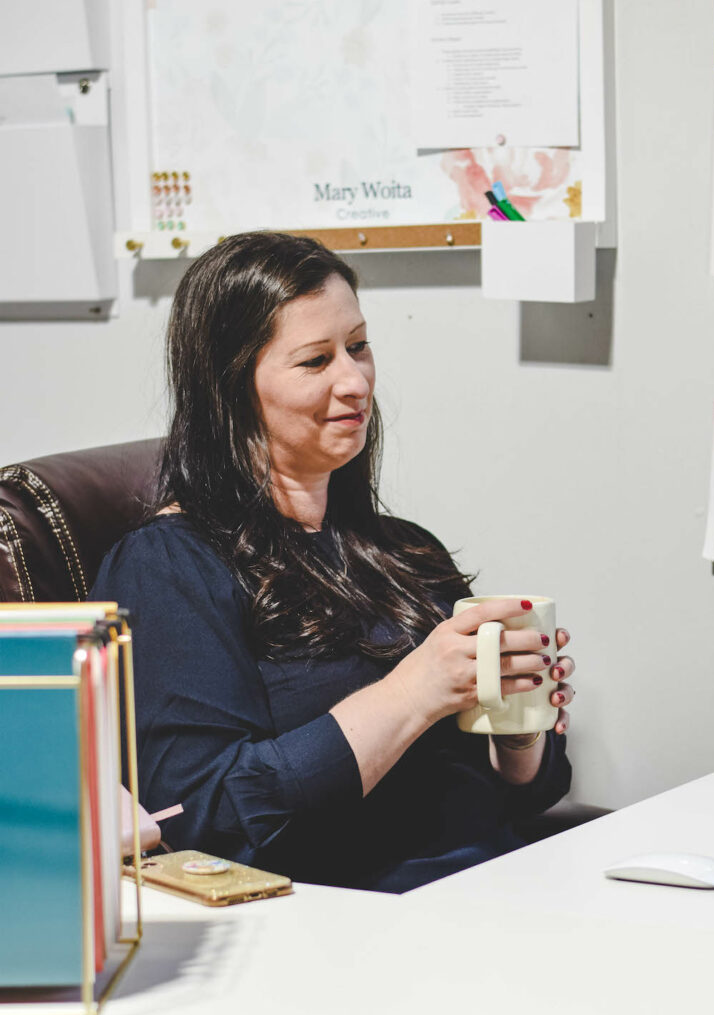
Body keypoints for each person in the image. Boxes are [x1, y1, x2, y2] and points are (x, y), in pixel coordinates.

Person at [92, 232, 573, 892]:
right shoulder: (168, 566)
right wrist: (412, 693)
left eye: (359, 346)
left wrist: (519, 730)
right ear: (231, 389)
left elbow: (520, 796)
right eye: (316, 360)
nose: (355, 381)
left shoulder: (404, 548)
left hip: (497, 884)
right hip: (344, 925)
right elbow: (205, 819)